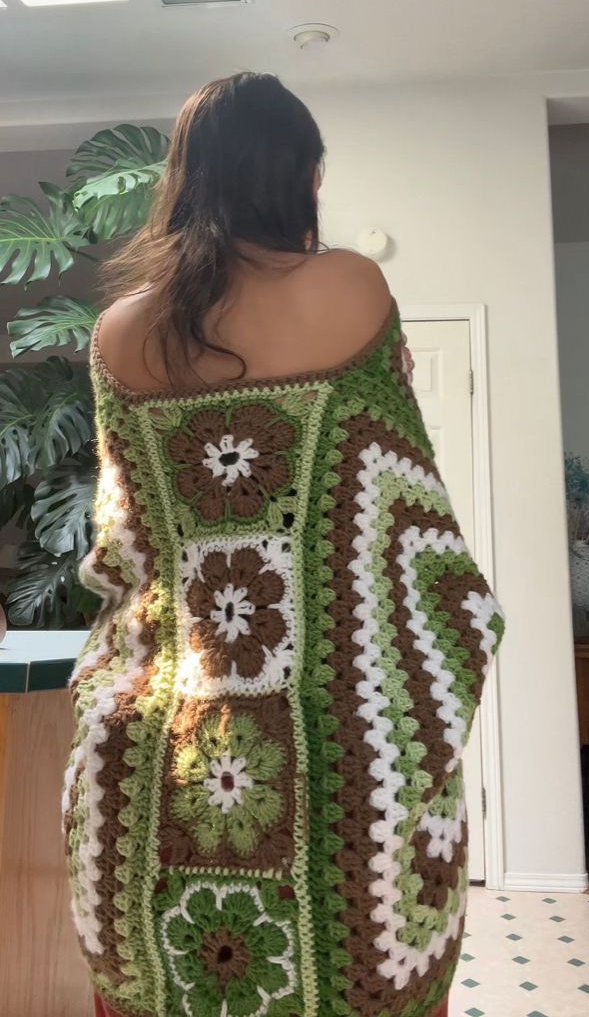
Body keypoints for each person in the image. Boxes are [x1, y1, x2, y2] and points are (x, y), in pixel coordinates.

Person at [64, 73, 503, 1017]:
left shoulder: (117, 334)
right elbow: (407, 534)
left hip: (149, 754)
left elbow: (126, 543)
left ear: (185, 178)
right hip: (340, 752)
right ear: (304, 177)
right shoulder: (349, 285)